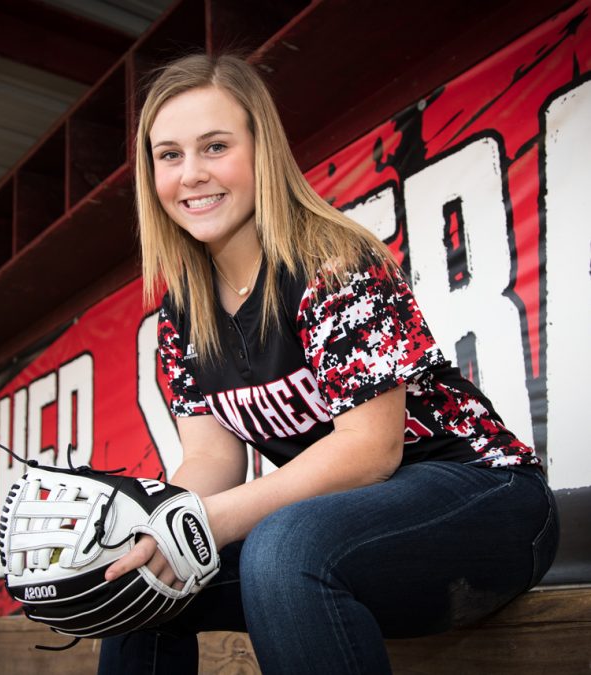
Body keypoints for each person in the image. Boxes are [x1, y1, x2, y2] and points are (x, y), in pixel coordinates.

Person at [97, 53, 559, 674]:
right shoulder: (183, 315)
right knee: (141, 584)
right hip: (352, 533)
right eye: (170, 155)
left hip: (487, 500)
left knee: (281, 546)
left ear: (263, 152)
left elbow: (370, 452)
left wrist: (204, 521)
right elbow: (213, 458)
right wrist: (150, 529)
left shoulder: (332, 261)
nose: (192, 174)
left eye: (215, 146)